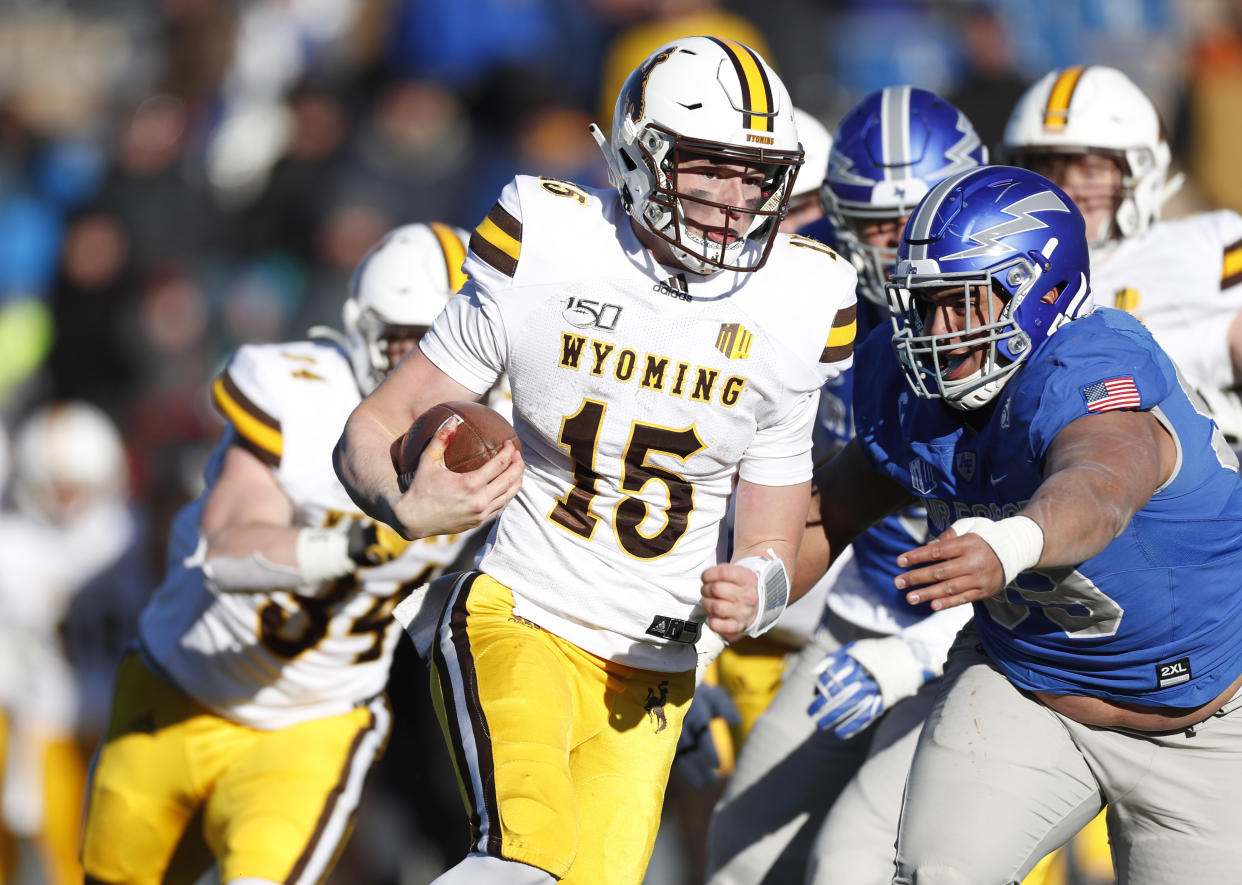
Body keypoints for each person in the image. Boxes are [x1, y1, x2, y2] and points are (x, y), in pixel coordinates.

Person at [333, 35, 858, 885]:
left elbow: (772, 532)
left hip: (656, 670)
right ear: (641, 155)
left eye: (756, 175)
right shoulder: (552, 244)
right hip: (525, 612)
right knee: (525, 854)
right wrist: (402, 501)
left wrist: (758, 585)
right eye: (710, 168)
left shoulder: (800, 300)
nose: (736, 200)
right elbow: (375, 422)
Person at [797, 163, 1242, 884]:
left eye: (964, 303)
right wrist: (745, 581)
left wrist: (1012, 542)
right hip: (1028, 688)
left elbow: (1100, 485)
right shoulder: (917, 386)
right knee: (933, 872)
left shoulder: (1090, 362)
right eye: (925, 304)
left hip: (1206, 723)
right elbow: (830, 509)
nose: (937, 331)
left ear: (1043, 294)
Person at [79, 222, 483, 885]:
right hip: (181, 683)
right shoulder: (299, 390)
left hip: (317, 721)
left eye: (450, 345)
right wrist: (356, 540)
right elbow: (226, 547)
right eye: (410, 343)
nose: (428, 373)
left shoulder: (502, 432)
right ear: (363, 329)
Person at [707, 85, 986, 885]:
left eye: (917, 217)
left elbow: (1045, 533)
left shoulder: (1012, 307)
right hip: (861, 609)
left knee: (856, 867)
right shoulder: (811, 278)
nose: (900, 249)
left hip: (990, 636)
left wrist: (912, 658)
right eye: (875, 225)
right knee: (742, 852)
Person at [1001, 64, 1242, 449]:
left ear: (1141, 172)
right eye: (1046, 169)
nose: (1068, 190)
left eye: (1091, 171)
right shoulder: (1007, 271)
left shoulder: (1201, 246)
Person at [0, 402, 145, 885]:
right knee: (65, 866)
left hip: (126, 720)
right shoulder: (13, 543)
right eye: (55, 486)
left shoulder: (133, 532)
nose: (65, 499)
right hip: (50, 721)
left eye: (75, 486)